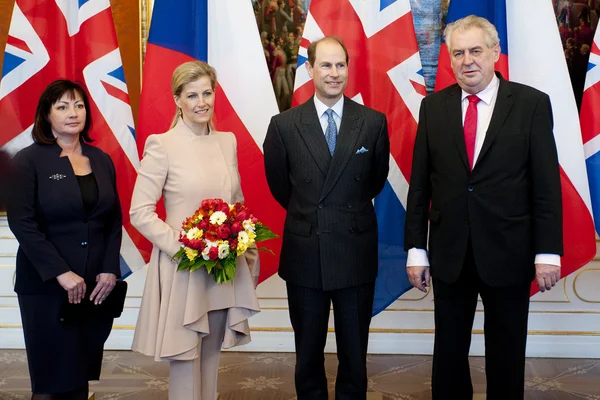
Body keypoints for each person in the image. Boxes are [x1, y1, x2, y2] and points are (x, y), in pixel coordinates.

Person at [404, 15, 563, 399]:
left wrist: (547, 252)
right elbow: (421, 184)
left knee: (506, 357)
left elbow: (546, 186)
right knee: (449, 358)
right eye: (457, 53)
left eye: (475, 50)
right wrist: (415, 249)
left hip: (508, 252)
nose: (467, 60)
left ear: (495, 52)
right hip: (450, 253)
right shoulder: (434, 108)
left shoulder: (531, 105)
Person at [263, 36, 390, 400]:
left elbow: (374, 181)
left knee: (355, 355)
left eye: (340, 65)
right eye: (325, 65)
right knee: (307, 357)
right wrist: (312, 215)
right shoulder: (284, 125)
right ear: (309, 69)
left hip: (355, 251)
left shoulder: (373, 123)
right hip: (306, 253)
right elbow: (280, 187)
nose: (334, 74)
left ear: (348, 69)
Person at [130, 60, 260, 400]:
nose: (201, 102)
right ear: (177, 99)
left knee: (212, 358)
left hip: (222, 268)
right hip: (184, 269)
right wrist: (185, 247)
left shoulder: (227, 141)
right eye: (192, 95)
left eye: (207, 93)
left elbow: (237, 204)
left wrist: (248, 253)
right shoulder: (162, 144)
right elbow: (139, 212)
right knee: (186, 360)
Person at [7, 80, 122, 400]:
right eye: (62, 106)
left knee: (79, 377)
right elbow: (23, 224)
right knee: (50, 381)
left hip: (94, 287)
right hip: (46, 287)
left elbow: (113, 220)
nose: (73, 113)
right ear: (46, 115)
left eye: (79, 105)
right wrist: (61, 272)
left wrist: (110, 268)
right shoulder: (27, 161)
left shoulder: (101, 159)